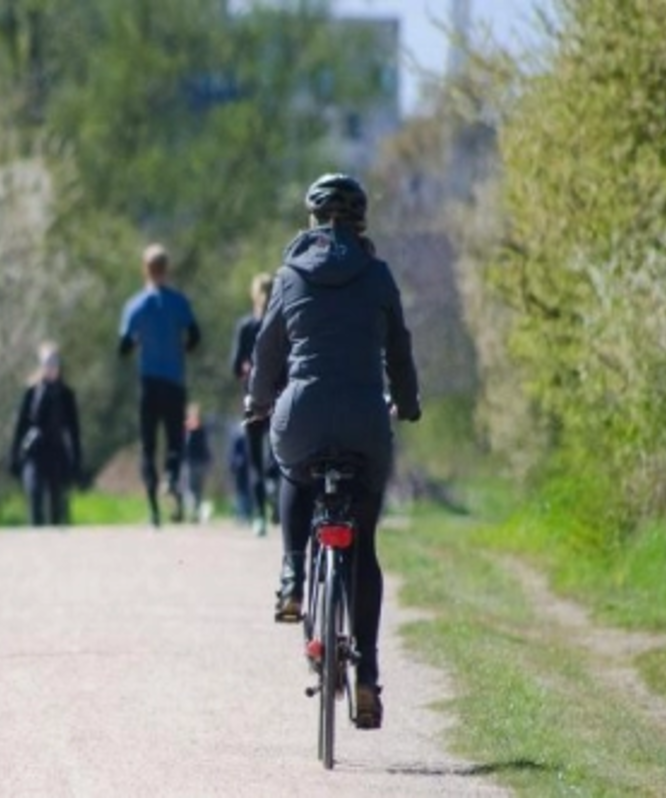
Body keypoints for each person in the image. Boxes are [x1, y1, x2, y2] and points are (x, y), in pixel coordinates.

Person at [245, 173, 420, 730]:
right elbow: (399, 348)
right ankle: (366, 671)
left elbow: (267, 350)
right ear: (361, 222)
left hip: (303, 417)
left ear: (313, 221)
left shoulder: (290, 276)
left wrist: (256, 402)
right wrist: (408, 402)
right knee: (363, 543)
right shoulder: (378, 276)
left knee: (294, 473)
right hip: (367, 422)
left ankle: (294, 575)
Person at [118, 243, 201, 527]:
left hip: (148, 382)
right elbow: (195, 335)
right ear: (167, 269)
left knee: (148, 445)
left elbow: (124, 347)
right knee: (175, 440)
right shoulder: (179, 302)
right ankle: (171, 476)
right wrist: (184, 347)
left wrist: (139, 342)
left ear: (145, 269)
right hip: (174, 381)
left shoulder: (135, 306)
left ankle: (154, 510)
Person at [9, 342, 82, 527]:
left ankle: (55, 543)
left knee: (57, 502)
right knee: (34, 493)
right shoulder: (32, 392)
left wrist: (77, 460)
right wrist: (14, 456)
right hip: (35, 452)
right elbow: (21, 426)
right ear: (41, 366)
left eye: (54, 363)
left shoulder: (67, 394)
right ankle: (36, 537)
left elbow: (74, 430)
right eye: (47, 363)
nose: (50, 367)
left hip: (57, 452)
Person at [230, 273, 277, 537]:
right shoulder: (282, 324)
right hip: (278, 397)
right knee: (277, 451)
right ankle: (273, 487)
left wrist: (247, 370)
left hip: (251, 399)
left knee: (254, 461)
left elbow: (235, 365)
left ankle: (259, 515)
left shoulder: (246, 327)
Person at [181, 402, 212, 523]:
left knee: (195, 490)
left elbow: (204, 447)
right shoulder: (188, 429)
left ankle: (196, 512)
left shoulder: (196, 429)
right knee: (192, 489)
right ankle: (194, 512)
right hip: (191, 463)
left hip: (196, 463)